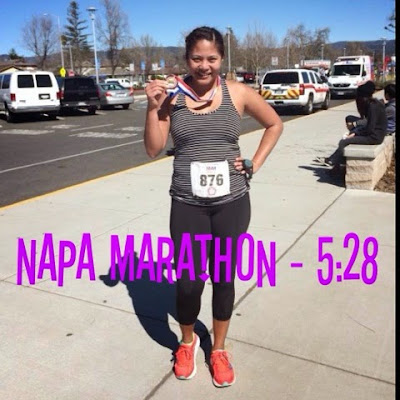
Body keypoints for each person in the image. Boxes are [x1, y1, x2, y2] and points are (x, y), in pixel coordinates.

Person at [144, 26, 283, 388]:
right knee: (189, 283)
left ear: (221, 58)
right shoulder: (173, 97)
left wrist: (254, 162)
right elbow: (153, 148)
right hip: (187, 205)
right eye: (196, 58)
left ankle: (218, 349)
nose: (204, 65)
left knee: (223, 279)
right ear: (186, 59)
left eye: (211, 58)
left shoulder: (238, 93)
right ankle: (187, 342)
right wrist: (153, 108)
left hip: (231, 203)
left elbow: (273, 124)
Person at [315, 80, 387, 168]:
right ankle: (333, 159)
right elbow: (369, 124)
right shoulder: (374, 104)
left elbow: (370, 128)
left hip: (375, 137)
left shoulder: (372, 107)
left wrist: (356, 134)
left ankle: (337, 162)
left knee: (344, 142)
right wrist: (356, 132)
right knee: (349, 132)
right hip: (375, 134)